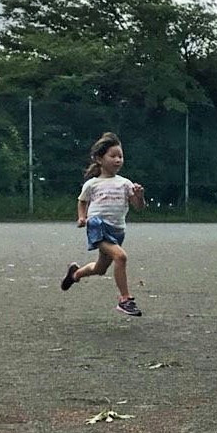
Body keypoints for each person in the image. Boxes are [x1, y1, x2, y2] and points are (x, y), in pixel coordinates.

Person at [60, 131, 147, 316]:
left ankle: (75, 274)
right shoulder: (92, 184)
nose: (118, 160)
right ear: (99, 159)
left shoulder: (125, 184)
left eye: (120, 156)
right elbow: (82, 201)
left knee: (100, 269)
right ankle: (125, 299)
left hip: (117, 231)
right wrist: (82, 217)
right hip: (97, 226)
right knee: (121, 257)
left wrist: (140, 196)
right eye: (113, 156)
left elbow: (139, 207)